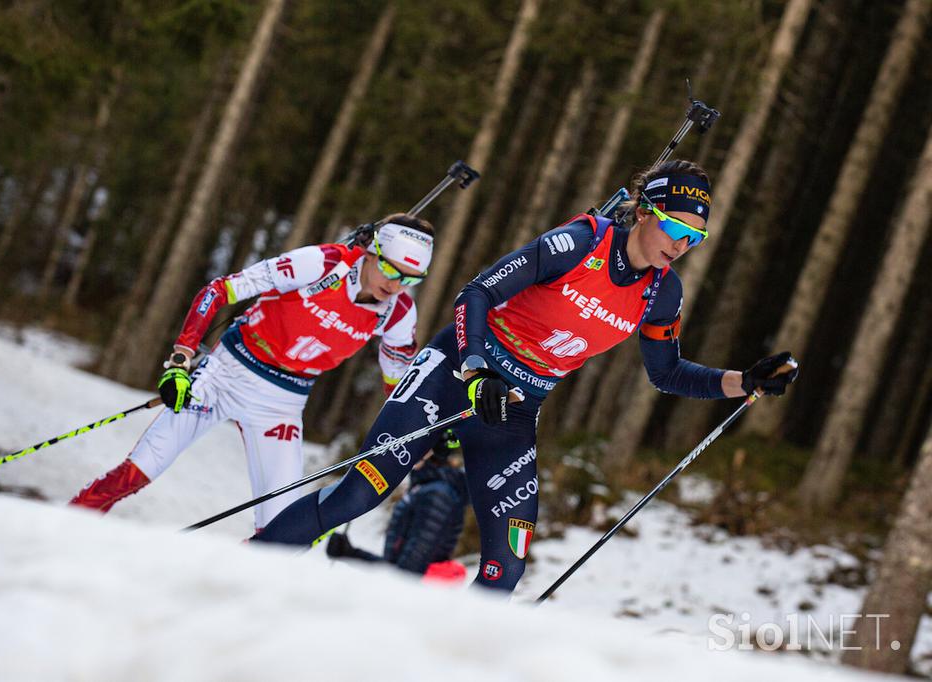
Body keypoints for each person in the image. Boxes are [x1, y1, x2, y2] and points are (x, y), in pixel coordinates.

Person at [254, 160, 799, 592]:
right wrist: (475, 368)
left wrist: (744, 381)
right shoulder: (581, 242)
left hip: (513, 410)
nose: (682, 245)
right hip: (457, 373)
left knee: (506, 567)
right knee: (358, 496)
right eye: (678, 228)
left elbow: (668, 372)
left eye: (695, 239)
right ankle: (230, 575)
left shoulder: (663, 292)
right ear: (647, 211)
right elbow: (476, 294)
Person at [71, 214, 435, 531]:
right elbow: (219, 290)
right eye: (389, 269)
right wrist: (181, 360)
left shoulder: (399, 312)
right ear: (371, 252)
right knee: (137, 472)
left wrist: (408, 432)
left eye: (411, 279)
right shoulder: (321, 264)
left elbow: (398, 382)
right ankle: (59, 529)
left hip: (282, 402)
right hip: (226, 374)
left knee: (280, 527)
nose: (395, 284)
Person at [325, 429, 469, 582]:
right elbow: (397, 568)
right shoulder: (425, 487)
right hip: (404, 591)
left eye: (421, 444)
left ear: (435, 451)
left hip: (413, 597)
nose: (412, 448)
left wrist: (353, 555)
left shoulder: (438, 495)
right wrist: (350, 553)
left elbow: (407, 575)